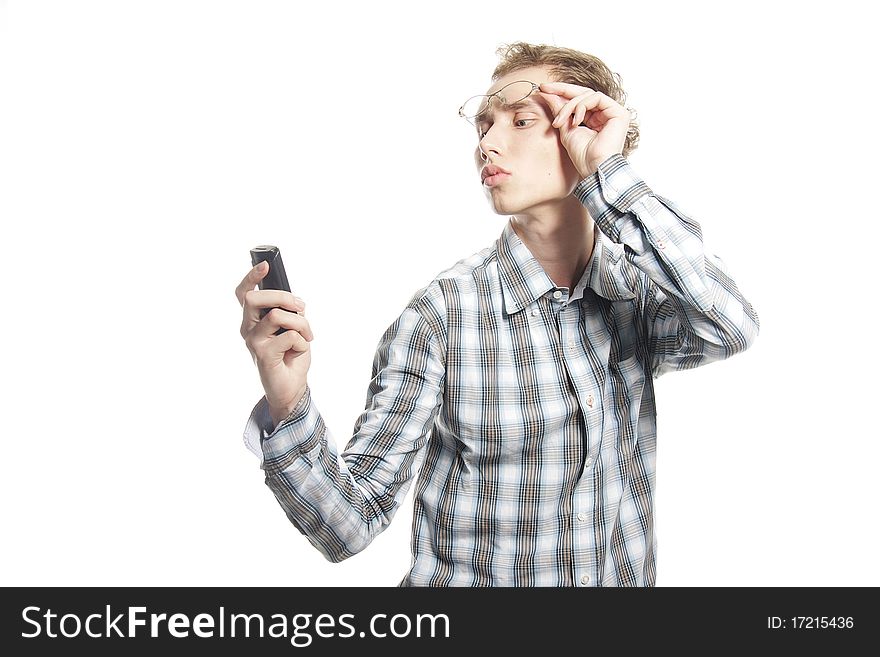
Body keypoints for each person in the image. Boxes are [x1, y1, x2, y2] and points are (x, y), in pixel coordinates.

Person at [235, 42, 760, 587]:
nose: (488, 141)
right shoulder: (442, 315)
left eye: (521, 119)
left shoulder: (634, 295)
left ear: (586, 130)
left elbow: (730, 324)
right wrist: (287, 400)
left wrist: (610, 174)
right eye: (482, 126)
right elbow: (346, 526)